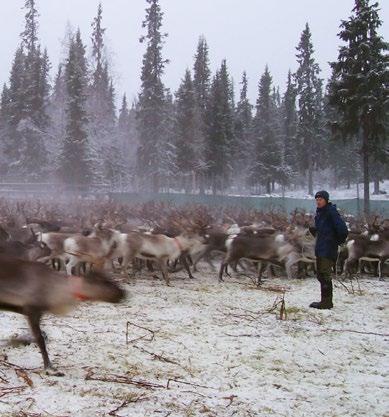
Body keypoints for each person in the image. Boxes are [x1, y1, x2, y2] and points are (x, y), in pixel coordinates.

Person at [309, 190, 348, 309]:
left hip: (328, 248)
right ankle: (324, 300)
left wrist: (337, 241)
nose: (318, 202)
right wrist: (315, 231)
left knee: (325, 274)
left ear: (326, 200)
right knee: (321, 274)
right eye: (316, 200)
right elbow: (325, 230)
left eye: (320, 199)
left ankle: (327, 302)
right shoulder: (320, 213)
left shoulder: (331, 212)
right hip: (321, 247)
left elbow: (342, 230)